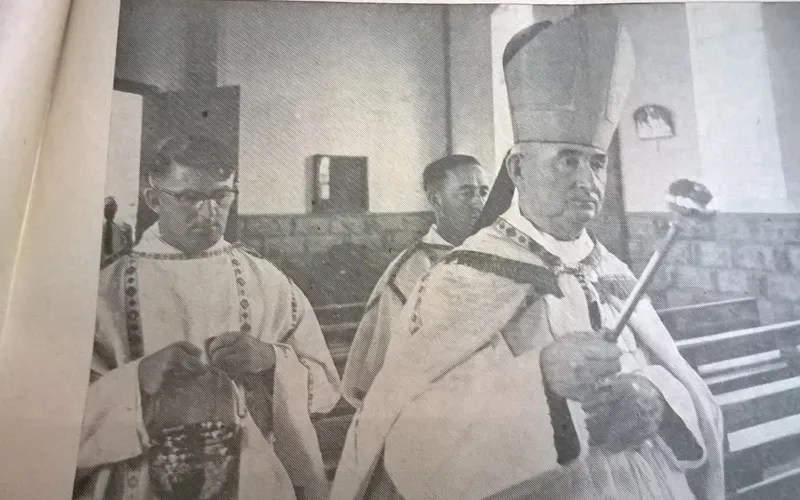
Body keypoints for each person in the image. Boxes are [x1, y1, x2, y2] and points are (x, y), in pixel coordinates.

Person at [331, 11, 723, 500]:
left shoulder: (613, 270)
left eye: (597, 162)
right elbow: (412, 440)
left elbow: (684, 385)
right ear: (517, 168)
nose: (587, 181)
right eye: (567, 160)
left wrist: (655, 398)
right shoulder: (461, 278)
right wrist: (542, 382)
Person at [74, 136, 340, 500]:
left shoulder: (267, 281)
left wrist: (270, 361)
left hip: (251, 480)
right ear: (154, 200)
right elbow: (54, 416)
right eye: (190, 197)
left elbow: (325, 388)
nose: (209, 212)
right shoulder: (105, 290)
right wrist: (138, 379)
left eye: (221, 195)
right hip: (137, 481)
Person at [340, 155, 489, 407]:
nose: (479, 203)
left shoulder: (497, 258)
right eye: (466, 193)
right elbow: (384, 363)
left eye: (483, 192)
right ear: (436, 200)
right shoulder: (411, 270)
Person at [100, 196, 133, 266]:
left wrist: (128, 236)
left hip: (114, 266)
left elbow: (127, 250)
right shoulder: (98, 228)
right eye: (107, 208)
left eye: (113, 208)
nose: (111, 211)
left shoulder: (119, 229)